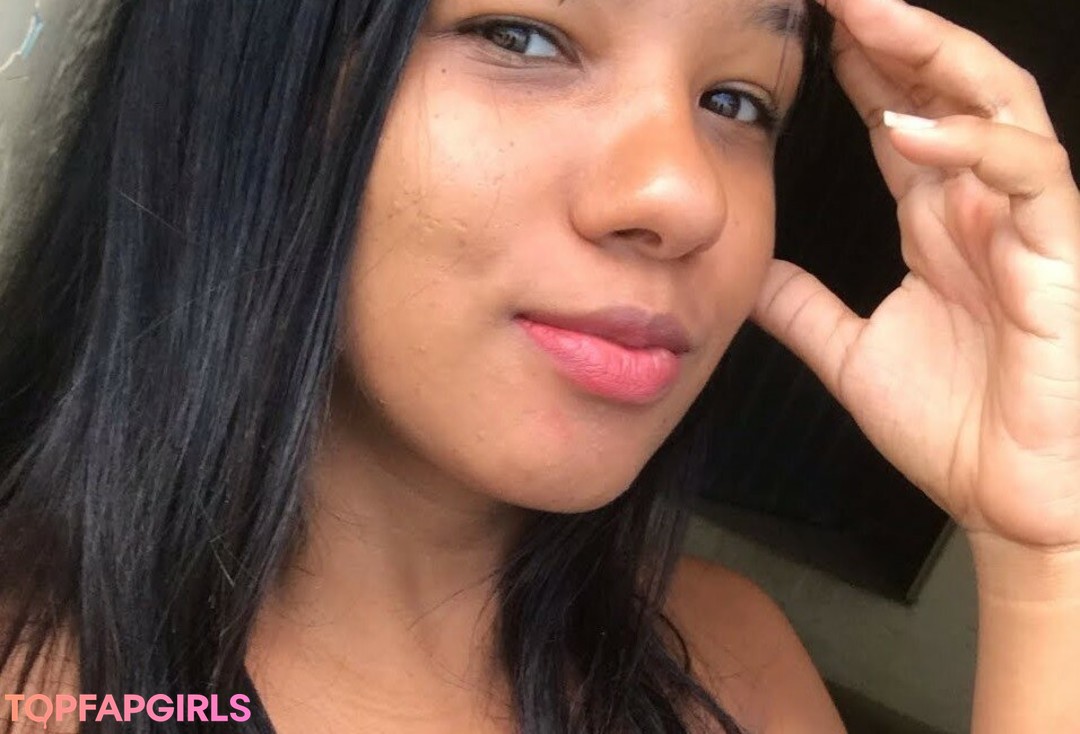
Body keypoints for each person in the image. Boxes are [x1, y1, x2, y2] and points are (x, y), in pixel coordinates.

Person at [0, 0, 1077, 731]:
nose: (686, 196)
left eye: (737, 101)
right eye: (524, 37)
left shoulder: (732, 668)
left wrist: (1044, 543)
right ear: (259, 86)